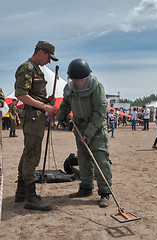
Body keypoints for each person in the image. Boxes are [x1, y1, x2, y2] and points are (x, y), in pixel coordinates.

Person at [56, 59, 112, 208]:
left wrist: (89, 132)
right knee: (83, 158)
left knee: (100, 159)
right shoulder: (69, 88)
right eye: (75, 80)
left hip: (97, 128)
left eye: (81, 80)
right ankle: (86, 187)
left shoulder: (97, 87)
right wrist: (60, 117)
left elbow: (100, 112)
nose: (79, 83)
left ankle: (105, 192)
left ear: (87, 77)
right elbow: (65, 104)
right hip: (78, 126)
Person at [14, 41, 58, 211]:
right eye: (48, 57)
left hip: (36, 117)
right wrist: (45, 106)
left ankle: (21, 192)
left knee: (27, 153)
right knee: (32, 155)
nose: (49, 61)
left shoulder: (36, 69)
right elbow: (21, 94)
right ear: (41, 52)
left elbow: (33, 95)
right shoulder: (27, 68)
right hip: (32, 118)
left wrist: (47, 101)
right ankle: (31, 198)